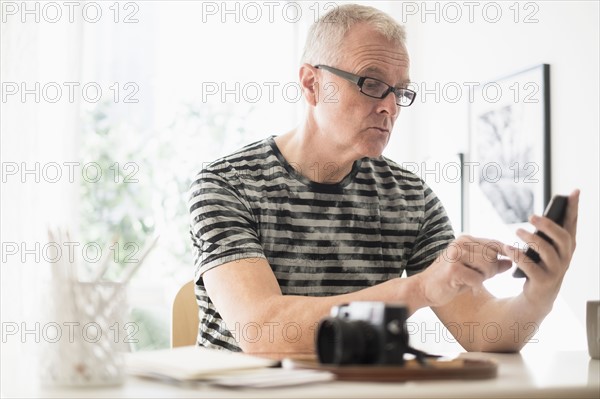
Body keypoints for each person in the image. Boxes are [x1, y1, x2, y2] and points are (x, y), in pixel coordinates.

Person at [188, 4, 579, 355]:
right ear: (311, 84)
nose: (390, 106)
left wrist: (540, 293)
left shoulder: (410, 197)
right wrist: (421, 288)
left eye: (400, 91)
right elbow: (262, 331)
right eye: (371, 83)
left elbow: (483, 332)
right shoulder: (227, 184)